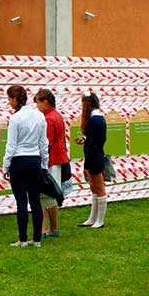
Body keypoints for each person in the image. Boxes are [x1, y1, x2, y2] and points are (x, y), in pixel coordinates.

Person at [2, 85, 48, 248]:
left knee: (21, 201)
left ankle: (22, 239)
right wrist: (44, 163)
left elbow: (11, 144)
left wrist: (5, 165)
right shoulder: (39, 116)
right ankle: (36, 239)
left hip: (19, 161)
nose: (9, 102)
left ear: (15, 99)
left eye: (9, 99)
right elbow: (44, 142)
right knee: (35, 201)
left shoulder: (15, 118)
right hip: (34, 160)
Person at [35, 89, 71, 240]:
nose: (37, 106)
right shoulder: (57, 115)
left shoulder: (48, 118)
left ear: (46, 102)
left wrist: (39, 159)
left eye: (38, 103)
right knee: (53, 194)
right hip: (59, 158)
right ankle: (53, 227)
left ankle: (43, 229)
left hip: (51, 160)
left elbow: (46, 143)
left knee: (44, 195)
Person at [78, 93, 109, 228]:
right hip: (94, 155)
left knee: (99, 187)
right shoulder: (96, 118)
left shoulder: (96, 119)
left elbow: (95, 143)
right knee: (94, 188)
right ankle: (92, 218)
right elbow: (94, 140)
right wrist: (85, 141)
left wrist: (87, 164)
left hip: (94, 157)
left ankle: (100, 220)